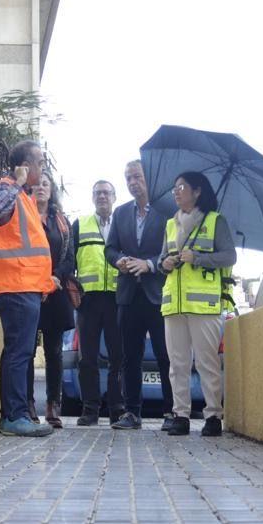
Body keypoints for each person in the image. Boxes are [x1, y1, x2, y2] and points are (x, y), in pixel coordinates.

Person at [0, 140, 57, 438]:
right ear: (23, 165)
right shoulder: (7, 188)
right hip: (16, 285)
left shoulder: (25, 197)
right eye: (38, 161)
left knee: (20, 353)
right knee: (18, 353)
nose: (42, 166)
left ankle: (15, 414)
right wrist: (19, 180)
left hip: (26, 285)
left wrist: (46, 281)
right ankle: (13, 416)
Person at [158, 171, 236, 437]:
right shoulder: (171, 224)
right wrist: (164, 263)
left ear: (197, 191)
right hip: (174, 305)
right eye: (174, 189)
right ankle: (180, 415)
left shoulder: (215, 221)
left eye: (181, 187)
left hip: (203, 306)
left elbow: (229, 256)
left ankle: (213, 415)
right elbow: (161, 260)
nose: (177, 192)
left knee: (207, 363)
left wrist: (198, 257)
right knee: (177, 364)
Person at [105, 159, 173, 431]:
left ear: (148, 179)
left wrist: (150, 264)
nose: (133, 182)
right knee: (129, 357)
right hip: (128, 295)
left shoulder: (167, 211)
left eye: (137, 177)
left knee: (165, 355)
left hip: (158, 294)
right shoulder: (120, 213)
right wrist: (120, 260)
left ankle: (172, 412)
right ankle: (132, 413)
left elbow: (173, 249)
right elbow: (109, 249)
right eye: (128, 178)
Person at [25, 173, 76, 428]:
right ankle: (28, 406)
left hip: (55, 293)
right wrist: (38, 278)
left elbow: (70, 258)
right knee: (27, 351)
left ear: (51, 189)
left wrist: (56, 277)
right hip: (29, 291)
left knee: (54, 352)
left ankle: (53, 406)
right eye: (37, 185)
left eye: (45, 184)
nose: (41, 188)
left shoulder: (62, 221)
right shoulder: (23, 217)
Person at [73, 179, 124, 426]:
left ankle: (117, 408)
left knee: (118, 357)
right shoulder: (80, 224)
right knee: (88, 358)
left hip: (117, 298)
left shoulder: (123, 224)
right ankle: (90, 409)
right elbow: (68, 260)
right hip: (88, 299)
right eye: (97, 193)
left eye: (106, 192)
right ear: (92, 198)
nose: (102, 196)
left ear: (114, 197)